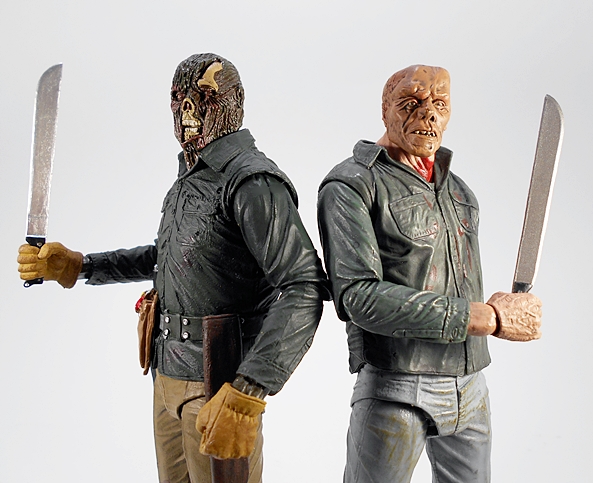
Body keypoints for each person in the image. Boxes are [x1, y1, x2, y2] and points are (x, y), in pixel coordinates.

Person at [18, 53, 328, 483]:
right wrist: (81, 266)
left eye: (203, 98)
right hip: (166, 375)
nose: (188, 112)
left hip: (219, 380)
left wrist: (248, 391)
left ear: (234, 101)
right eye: (179, 99)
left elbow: (303, 287)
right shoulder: (191, 174)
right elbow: (169, 257)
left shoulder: (253, 183)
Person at [317, 64, 542, 483]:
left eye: (440, 103)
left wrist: (506, 309)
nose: (429, 114)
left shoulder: (458, 190)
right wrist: (484, 317)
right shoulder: (351, 185)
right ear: (385, 110)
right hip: (397, 388)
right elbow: (358, 296)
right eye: (412, 103)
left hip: (470, 388)